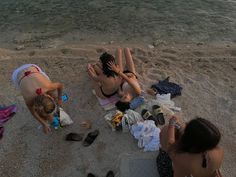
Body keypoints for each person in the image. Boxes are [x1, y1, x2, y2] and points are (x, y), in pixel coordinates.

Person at [157, 116, 224, 177]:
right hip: (202, 173)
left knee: (165, 132)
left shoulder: (180, 158)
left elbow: (170, 144)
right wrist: (181, 127)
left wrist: (171, 124)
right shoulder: (219, 151)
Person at [12, 64, 63, 133]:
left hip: (32, 68)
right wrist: (44, 123)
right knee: (52, 94)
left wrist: (59, 99)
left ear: (48, 96)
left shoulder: (48, 86)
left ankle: (48, 114)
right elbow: (33, 113)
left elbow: (60, 85)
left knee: (53, 93)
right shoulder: (29, 100)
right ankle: (47, 116)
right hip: (17, 75)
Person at [108, 47, 142, 112]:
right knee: (126, 49)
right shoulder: (137, 92)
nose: (125, 95)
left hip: (122, 76)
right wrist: (117, 71)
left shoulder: (121, 94)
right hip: (131, 74)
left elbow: (117, 84)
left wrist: (118, 77)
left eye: (122, 97)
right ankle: (129, 53)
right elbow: (129, 80)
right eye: (125, 98)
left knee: (118, 50)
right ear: (130, 102)